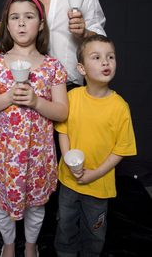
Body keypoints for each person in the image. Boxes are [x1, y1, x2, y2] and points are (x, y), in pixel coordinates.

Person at [0, 0, 69, 257]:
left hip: (37, 156)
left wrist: (37, 101)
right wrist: (6, 98)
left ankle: (29, 246)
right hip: (3, 156)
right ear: (7, 24)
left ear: (40, 24)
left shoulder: (52, 67)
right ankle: (8, 244)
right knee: (3, 206)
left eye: (29, 17)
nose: (22, 24)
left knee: (35, 206)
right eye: (15, 18)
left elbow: (61, 112)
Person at [54, 34, 137, 257]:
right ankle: (65, 252)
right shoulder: (72, 97)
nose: (105, 62)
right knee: (65, 221)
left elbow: (122, 148)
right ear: (81, 68)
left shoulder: (120, 107)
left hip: (99, 185)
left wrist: (95, 174)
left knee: (95, 228)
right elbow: (63, 131)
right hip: (69, 181)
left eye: (110, 56)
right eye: (97, 57)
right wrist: (69, 161)